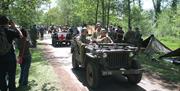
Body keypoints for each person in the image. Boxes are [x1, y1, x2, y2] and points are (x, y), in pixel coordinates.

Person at [0, 15, 23, 91]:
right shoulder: (10, 31)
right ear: (7, 23)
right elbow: (21, 36)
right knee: (11, 77)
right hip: (10, 58)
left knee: (2, 78)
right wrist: (15, 27)